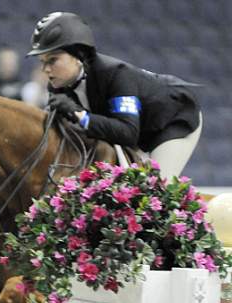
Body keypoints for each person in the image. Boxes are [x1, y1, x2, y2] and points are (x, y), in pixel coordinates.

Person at [27, 12, 202, 180]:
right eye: (42, 62)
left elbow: (127, 132)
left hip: (173, 119)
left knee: (155, 190)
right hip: (138, 132)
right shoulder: (58, 86)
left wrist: (79, 115)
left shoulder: (115, 74)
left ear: (78, 56)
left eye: (52, 60)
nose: (46, 69)